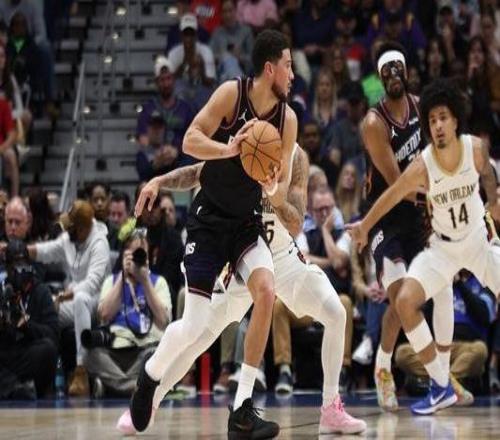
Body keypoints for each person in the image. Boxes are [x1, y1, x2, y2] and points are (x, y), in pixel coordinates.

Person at [117, 143, 366, 436]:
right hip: (242, 257)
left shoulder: (296, 156)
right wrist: (160, 180)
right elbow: (198, 172)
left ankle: (331, 409)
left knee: (336, 313)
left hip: (281, 256)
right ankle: (148, 402)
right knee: (197, 337)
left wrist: (274, 194)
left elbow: (296, 223)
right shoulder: (245, 141)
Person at [128, 29, 297, 438]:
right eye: (288, 66)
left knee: (266, 291)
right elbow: (190, 140)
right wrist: (230, 149)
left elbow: (282, 190)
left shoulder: (287, 120)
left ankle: (242, 410)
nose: (293, 75)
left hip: (245, 224)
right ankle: (151, 374)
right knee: (194, 325)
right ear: (270, 69)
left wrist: (271, 186)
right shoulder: (231, 95)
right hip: (207, 221)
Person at [348, 78, 500, 415]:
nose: (438, 125)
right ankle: (440, 384)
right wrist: (365, 225)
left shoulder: (475, 148)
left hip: (477, 241)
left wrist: (493, 204)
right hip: (442, 249)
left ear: (456, 119)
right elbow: (392, 195)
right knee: (404, 300)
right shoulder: (423, 164)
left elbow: (490, 176)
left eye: (443, 118)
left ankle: (442, 379)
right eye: (432, 120)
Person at [360, 41, 454, 411]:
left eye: (398, 67)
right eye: (386, 71)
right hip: (386, 214)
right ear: (380, 79)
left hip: (418, 213)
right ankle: (384, 369)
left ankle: (441, 374)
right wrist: (440, 196)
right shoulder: (374, 123)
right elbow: (398, 183)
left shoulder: (422, 108)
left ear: (407, 71)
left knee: (438, 289)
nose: (393, 75)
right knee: (399, 296)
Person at [25, 200, 110, 397]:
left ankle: (81, 370)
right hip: (72, 300)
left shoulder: (100, 244)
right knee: (45, 309)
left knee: (80, 298)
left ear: (82, 229)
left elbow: (92, 284)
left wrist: (63, 296)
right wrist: (21, 250)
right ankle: (42, 372)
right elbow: (46, 251)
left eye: (70, 227)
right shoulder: (70, 239)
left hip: (98, 302)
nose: (66, 230)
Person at [86, 229, 172, 397]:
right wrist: (122, 277)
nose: (138, 259)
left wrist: (145, 280)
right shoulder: (111, 281)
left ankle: (112, 386)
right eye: (133, 254)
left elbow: (164, 321)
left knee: (157, 356)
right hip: (115, 350)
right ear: (124, 256)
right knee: (92, 356)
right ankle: (134, 387)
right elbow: (104, 315)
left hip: (145, 349)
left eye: (141, 254)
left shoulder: (158, 282)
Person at [0, 239, 58, 399]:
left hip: (28, 353)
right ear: (7, 267)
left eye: (22, 263)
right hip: (6, 354)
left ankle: (12, 387)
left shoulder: (41, 291)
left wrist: (28, 327)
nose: (19, 269)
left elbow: (53, 334)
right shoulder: (3, 290)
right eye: (14, 264)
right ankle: (15, 388)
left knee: (48, 350)